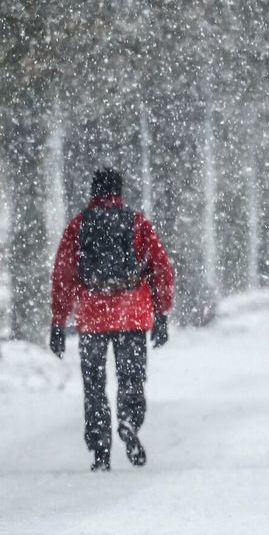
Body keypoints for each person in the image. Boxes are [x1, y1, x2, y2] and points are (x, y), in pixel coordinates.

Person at [49, 169, 175, 472]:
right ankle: (129, 420)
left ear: (93, 192)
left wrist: (58, 320)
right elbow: (161, 268)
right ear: (119, 191)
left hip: (92, 315)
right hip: (131, 312)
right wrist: (161, 313)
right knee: (130, 378)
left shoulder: (79, 225)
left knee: (94, 384)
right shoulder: (136, 223)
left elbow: (63, 275)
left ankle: (100, 448)